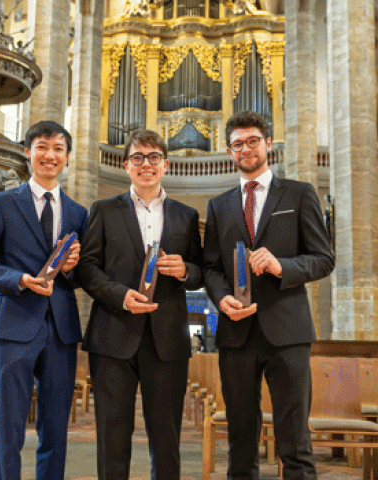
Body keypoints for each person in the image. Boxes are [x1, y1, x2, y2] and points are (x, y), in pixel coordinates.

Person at [203, 110, 334, 479]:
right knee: (241, 443)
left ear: (268, 144)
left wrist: (282, 267)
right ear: (229, 152)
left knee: (294, 442)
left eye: (253, 141)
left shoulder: (299, 193)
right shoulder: (218, 206)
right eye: (238, 144)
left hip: (287, 333)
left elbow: (323, 259)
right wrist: (220, 298)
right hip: (236, 334)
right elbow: (211, 267)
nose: (246, 148)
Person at [78, 129, 203, 480]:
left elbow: (201, 271)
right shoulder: (103, 210)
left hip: (167, 340)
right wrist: (120, 296)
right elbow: (87, 268)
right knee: (112, 438)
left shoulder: (186, 216)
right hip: (113, 336)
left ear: (165, 165)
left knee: (166, 441)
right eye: (138, 157)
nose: (145, 164)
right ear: (126, 165)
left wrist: (184, 270)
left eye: (153, 158)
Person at [0, 120, 88, 480]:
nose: (50, 155)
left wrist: (72, 267)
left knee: (55, 429)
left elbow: (80, 277)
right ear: (28, 152)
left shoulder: (78, 212)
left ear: (66, 156)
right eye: (42, 147)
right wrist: (17, 278)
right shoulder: (3, 203)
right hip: (15, 323)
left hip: (61, 329)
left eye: (58, 149)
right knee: (11, 426)